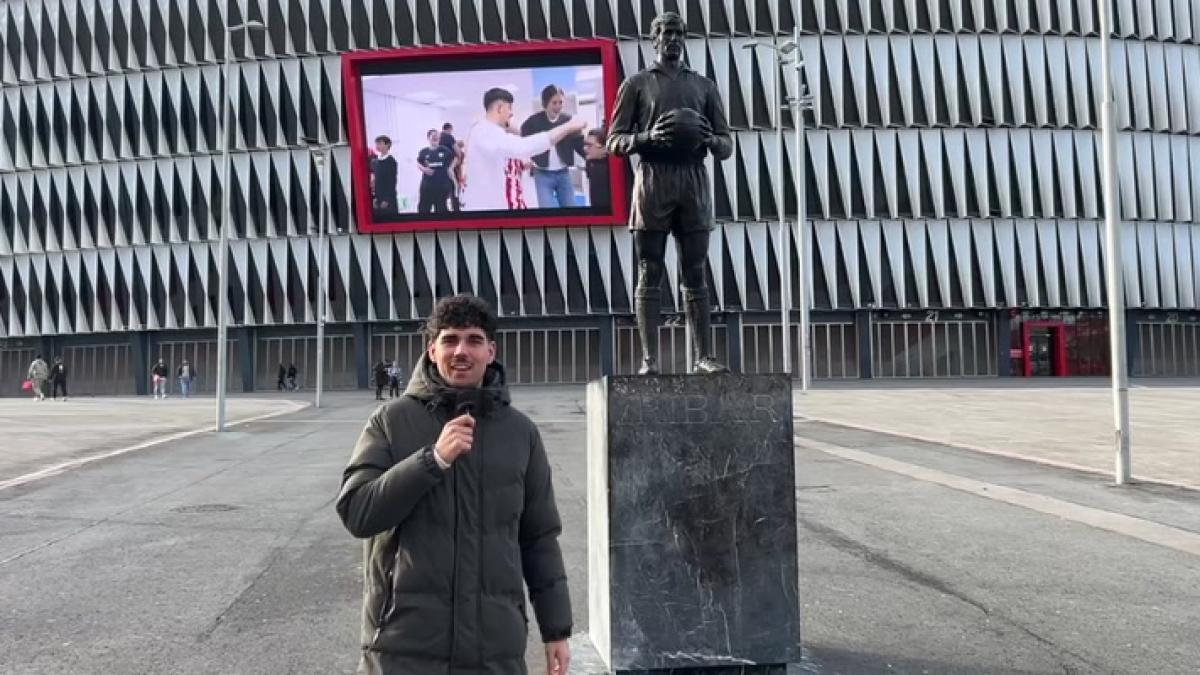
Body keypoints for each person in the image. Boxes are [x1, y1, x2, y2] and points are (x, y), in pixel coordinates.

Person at [336, 295, 571, 675]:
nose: (461, 350)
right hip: (403, 649)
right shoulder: (390, 422)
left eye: (474, 340)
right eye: (450, 340)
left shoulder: (521, 433)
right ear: (432, 349)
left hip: (494, 651)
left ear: (490, 351)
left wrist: (556, 630)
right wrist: (432, 460)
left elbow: (539, 537)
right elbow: (358, 512)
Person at [607, 10, 734, 375]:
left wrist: (710, 138)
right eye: (666, 32)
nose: (673, 38)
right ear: (655, 39)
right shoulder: (636, 85)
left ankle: (704, 357)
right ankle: (649, 359)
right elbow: (614, 140)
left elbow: (726, 145)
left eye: (679, 32)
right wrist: (646, 138)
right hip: (653, 179)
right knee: (650, 268)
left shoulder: (704, 86)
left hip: (693, 179)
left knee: (695, 271)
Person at [461, 87, 587, 211]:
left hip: (558, 173)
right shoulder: (486, 131)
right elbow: (523, 146)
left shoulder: (486, 131)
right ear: (499, 108)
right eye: (509, 108)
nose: (511, 113)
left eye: (560, 102)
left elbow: (510, 151)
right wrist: (568, 127)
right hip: (491, 205)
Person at [520, 85, 587, 208]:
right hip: (542, 173)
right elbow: (524, 141)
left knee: (571, 208)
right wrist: (526, 158)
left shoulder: (569, 120)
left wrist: (591, 158)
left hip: (563, 173)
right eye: (554, 103)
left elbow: (579, 143)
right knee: (547, 209)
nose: (558, 106)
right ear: (545, 103)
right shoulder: (533, 122)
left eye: (560, 102)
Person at [416, 129, 456, 214]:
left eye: (437, 136)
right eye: (433, 136)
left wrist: (450, 168)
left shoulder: (445, 150)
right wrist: (424, 169)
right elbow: (418, 162)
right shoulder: (424, 152)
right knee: (424, 209)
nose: (435, 137)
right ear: (428, 138)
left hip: (442, 186)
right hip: (427, 186)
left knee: (441, 210)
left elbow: (455, 158)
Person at [370, 135, 398, 216]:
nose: (377, 146)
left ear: (387, 145)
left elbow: (392, 182)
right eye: (377, 144)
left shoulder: (391, 161)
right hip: (377, 196)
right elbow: (374, 180)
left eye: (380, 143)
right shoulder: (375, 161)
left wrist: (386, 199)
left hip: (388, 197)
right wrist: (374, 197)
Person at [583, 127, 610, 208]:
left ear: (604, 148)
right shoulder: (590, 163)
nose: (584, 149)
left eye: (589, 145)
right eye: (585, 144)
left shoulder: (615, 168)